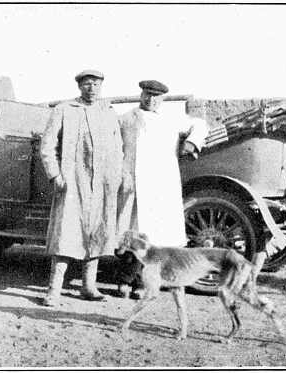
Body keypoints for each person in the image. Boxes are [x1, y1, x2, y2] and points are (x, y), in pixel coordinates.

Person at [115, 80, 209, 299]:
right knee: (131, 235)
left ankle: (141, 284)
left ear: (163, 100)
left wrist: (192, 143)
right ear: (141, 95)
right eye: (147, 95)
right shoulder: (127, 119)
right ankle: (124, 280)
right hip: (135, 186)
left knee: (155, 240)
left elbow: (200, 125)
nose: (151, 100)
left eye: (156, 97)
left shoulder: (172, 119)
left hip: (162, 187)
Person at [39, 69, 125, 307]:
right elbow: (47, 146)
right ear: (79, 87)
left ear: (101, 86)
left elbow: (118, 147)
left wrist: (115, 176)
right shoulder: (64, 110)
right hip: (72, 183)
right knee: (66, 235)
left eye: (95, 84)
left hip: (101, 184)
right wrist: (55, 174)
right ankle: (53, 291)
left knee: (97, 233)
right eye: (87, 84)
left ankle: (89, 286)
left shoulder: (108, 113)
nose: (91, 88)